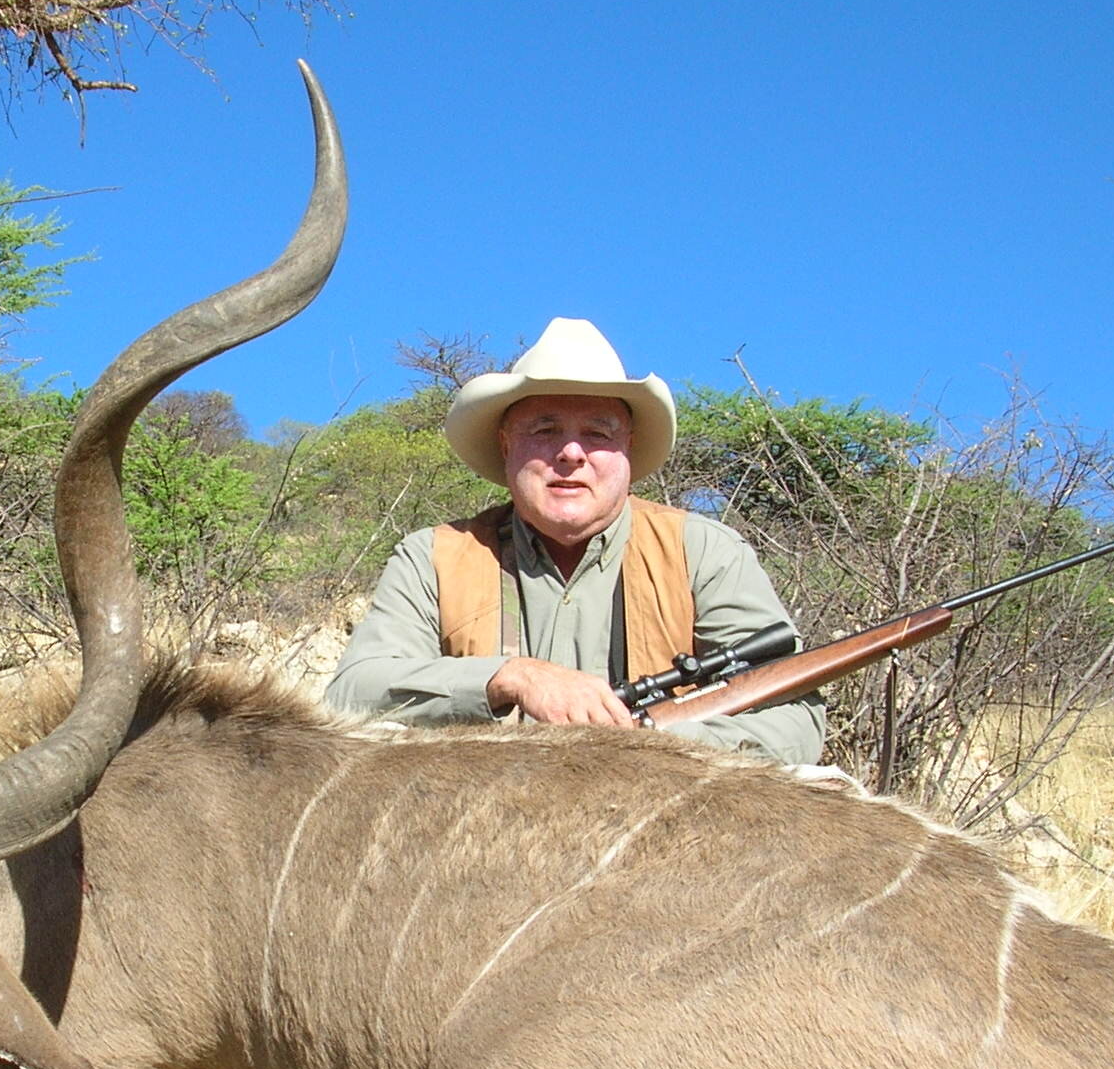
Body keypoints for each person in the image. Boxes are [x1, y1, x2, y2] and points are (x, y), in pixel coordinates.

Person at [325, 318, 825, 766]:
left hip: (664, 823)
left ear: (627, 448)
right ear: (506, 446)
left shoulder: (704, 550)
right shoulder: (433, 555)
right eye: (544, 430)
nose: (570, 453)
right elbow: (354, 691)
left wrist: (649, 746)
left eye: (598, 434)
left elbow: (794, 718)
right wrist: (511, 678)